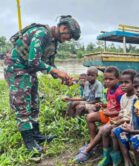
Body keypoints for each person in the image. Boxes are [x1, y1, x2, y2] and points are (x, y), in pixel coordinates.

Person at [3, 15, 81, 154]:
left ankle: (36, 135)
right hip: (16, 67)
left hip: (29, 69)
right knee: (22, 104)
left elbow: (49, 64)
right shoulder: (42, 33)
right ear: (63, 28)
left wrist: (61, 75)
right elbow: (34, 61)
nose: (68, 40)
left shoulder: (53, 41)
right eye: (69, 36)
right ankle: (29, 143)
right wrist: (56, 71)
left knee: (34, 102)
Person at [74, 66, 124, 163]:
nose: (107, 81)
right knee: (90, 117)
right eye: (105, 79)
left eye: (111, 79)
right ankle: (93, 142)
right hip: (108, 114)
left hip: (116, 117)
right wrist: (103, 105)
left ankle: (87, 150)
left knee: (102, 129)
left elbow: (124, 110)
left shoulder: (119, 93)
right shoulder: (109, 90)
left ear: (118, 79)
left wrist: (110, 112)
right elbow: (112, 104)